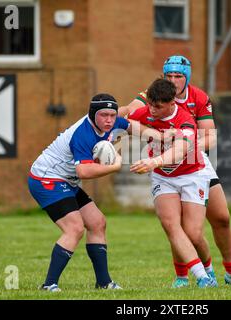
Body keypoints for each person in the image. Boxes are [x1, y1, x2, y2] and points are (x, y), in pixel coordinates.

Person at [120, 55, 231, 287]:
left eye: (178, 76)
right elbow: (130, 113)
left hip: (195, 164)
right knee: (174, 223)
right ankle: (182, 276)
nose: (173, 80)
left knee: (221, 218)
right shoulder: (154, 95)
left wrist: (184, 146)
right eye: (169, 75)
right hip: (165, 167)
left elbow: (210, 136)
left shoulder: (198, 98)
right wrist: (105, 118)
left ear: (187, 77)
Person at [28, 93, 161, 292]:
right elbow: (84, 171)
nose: (109, 120)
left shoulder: (112, 122)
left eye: (112, 115)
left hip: (66, 181)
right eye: (103, 115)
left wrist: (161, 137)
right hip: (46, 179)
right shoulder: (83, 133)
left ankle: (103, 282)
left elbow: (132, 124)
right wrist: (115, 166)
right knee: (74, 228)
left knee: (98, 223)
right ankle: (49, 285)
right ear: (92, 114)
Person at [129, 78, 216, 288]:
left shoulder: (185, 121)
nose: (151, 110)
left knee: (194, 233)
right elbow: (123, 122)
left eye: (157, 107)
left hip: (192, 174)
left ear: (172, 103)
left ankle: (209, 270)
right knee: (170, 225)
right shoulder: (147, 112)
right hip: (163, 177)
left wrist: (154, 161)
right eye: (149, 104)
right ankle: (197, 277)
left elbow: (181, 150)